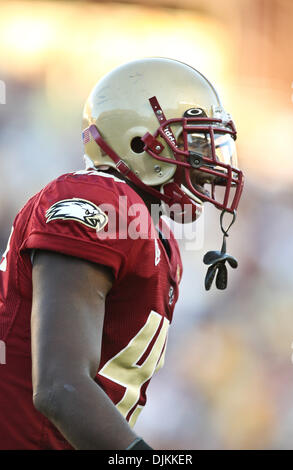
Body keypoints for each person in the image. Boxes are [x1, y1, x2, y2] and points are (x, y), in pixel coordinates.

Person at [0, 58, 244, 450]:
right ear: (139, 141)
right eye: (194, 141)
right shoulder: (98, 200)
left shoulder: (152, 233)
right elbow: (60, 387)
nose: (208, 163)